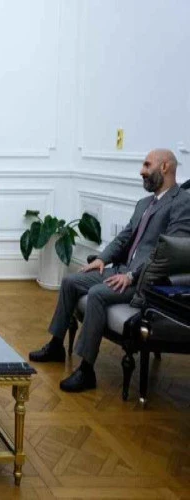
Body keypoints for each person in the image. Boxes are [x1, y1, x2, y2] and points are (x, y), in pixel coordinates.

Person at [29, 149, 190, 392]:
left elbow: (169, 253)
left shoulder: (182, 203)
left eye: (147, 165)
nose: (141, 171)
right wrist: (102, 259)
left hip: (146, 281)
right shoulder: (144, 203)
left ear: (165, 167)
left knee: (96, 294)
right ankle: (56, 345)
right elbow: (124, 238)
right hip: (122, 270)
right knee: (71, 281)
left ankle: (86, 370)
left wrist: (132, 276)